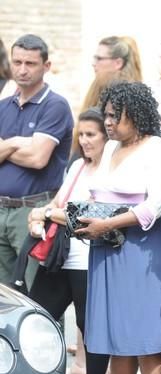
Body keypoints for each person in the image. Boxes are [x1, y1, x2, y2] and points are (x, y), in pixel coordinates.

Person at [80, 81, 161, 374]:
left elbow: (157, 205)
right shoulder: (111, 150)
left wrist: (108, 224)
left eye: (113, 115)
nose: (107, 122)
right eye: (104, 114)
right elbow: (100, 195)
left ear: (135, 115)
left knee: (147, 341)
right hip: (109, 248)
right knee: (117, 338)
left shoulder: (158, 149)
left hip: (145, 249)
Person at [26, 108, 107, 374]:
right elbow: (60, 204)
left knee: (91, 327)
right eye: (81, 134)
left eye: (91, 135)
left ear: (105, 137)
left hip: (91, 258)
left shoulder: (110, 171)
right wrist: (41, 212)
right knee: (38, 317)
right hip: (61, 257)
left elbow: (88, 215)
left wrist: (47, 214)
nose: (85, 141)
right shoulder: (76, 167)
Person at [0, 34, 73, 287]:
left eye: (30, 63)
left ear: (46, 66)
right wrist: (18, 141)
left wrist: (4, 146)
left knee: (35, 291)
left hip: (33, 211)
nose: (22, 70)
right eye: (17, 62)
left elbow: (37, 158)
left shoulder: (55, 105)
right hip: (1, 208)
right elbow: (29, 150)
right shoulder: (3, 106)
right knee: (3, 296)